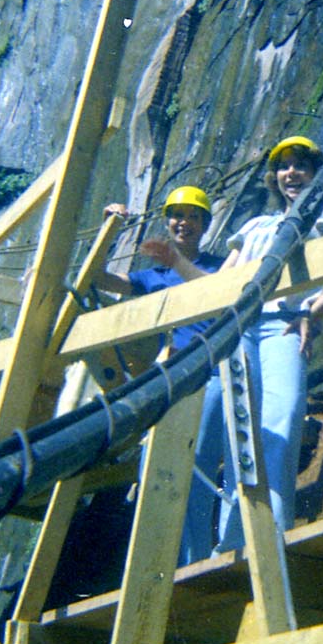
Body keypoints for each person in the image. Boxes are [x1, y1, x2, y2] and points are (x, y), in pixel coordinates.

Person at [205, 136, 323, 552]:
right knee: (242, 431)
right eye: (284, 166)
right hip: (241, 327)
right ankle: (231, 541)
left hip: (286, 325)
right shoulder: (254, 227)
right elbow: (220, 283)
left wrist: (314, 311)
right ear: (274, 177)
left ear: (316, 174)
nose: (292, 173)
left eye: (302, 166)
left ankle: (271, 535)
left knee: (283, 418)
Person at [94, 185, 226, 565]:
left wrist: (175, 263)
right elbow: (101, 278)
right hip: (172, 378)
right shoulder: (153, 277)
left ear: (204, 225)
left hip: (213, 372)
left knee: (197, 461)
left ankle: (193, 562)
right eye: (177, 215)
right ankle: (165, 562)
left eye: (193, 216)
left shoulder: (220, 266)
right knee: (157, 465)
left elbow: (215, 287)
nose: (184, 223)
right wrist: (110, 231)